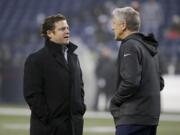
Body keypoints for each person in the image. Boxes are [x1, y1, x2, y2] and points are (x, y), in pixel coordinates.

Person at [23, 14, 86, 135]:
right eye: (62, 29)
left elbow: (80, 88)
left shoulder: (74, 58)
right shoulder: (36, 59)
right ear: (50, 33)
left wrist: (80, 111)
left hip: (74, 127)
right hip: (49, 129)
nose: (67, 31)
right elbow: (32, 95)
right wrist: (48, 119)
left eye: (67, 28)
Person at [110, 7, 164, 135]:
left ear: (123, 25)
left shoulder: (129, 45)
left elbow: (131, 82)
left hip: (132, 118)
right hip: (150, 118)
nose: (112, 27)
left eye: (114, 23)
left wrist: (114, 100)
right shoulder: (149, 47)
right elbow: (159, 83)